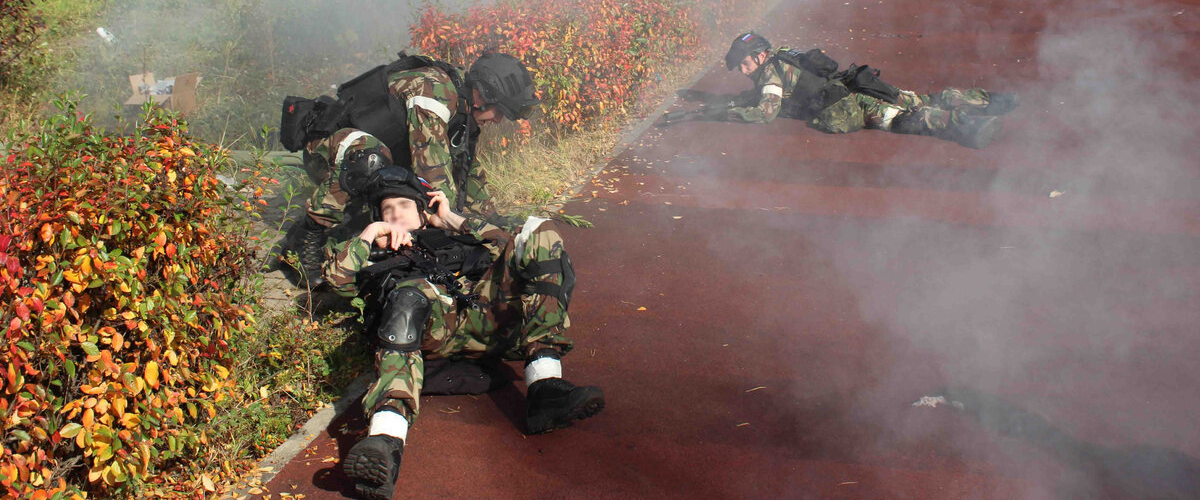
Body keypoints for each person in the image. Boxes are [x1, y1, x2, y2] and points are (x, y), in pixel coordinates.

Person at [324, 160, 604, 500]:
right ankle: (385, 441)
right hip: (430, 331)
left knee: (540, 230)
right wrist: (370, 235)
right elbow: (336, 281)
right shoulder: (371, 253)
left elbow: (514, 245)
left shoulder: (456, 235)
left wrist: (453, 219)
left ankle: (545, 390)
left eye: (403, 206)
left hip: (489, 319)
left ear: (422, 211)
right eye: (386, 210)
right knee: (408, 299)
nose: (395, 214)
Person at [280, 52, 538, 281]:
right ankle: (307, 237)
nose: (499, 119)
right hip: (332, 155)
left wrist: (490, 219)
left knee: (383, 208)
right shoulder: (434, 89)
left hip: (365, 163)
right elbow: (432, 170)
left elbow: (467, 170)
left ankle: (343, 226)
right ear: (482, 95)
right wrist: (449, 225)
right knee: (372, 160)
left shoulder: (462, 108)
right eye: (500, 111)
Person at [667, 32, 1018, 148]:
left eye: (743, 64)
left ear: (758, 56)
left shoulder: (770, 74)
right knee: (920, 99)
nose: (741, 71)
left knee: (905, 119)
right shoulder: (784, 55)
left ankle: (966, 125)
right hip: (852, 85)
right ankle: (990, 100)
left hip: (848, 105)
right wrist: (702, 100)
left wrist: (712, 112)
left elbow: (764, 112)